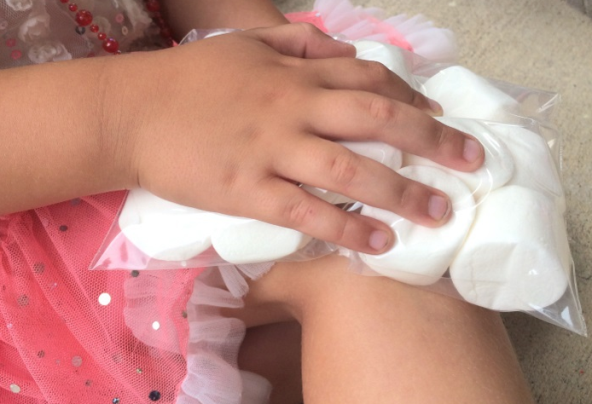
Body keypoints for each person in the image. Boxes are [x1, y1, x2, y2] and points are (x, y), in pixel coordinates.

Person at [0, 0, 534, 402]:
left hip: (189, 84)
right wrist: (133, 114)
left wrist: (268, 55)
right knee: (372, 256)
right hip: (50, 185)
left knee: (386, 196)